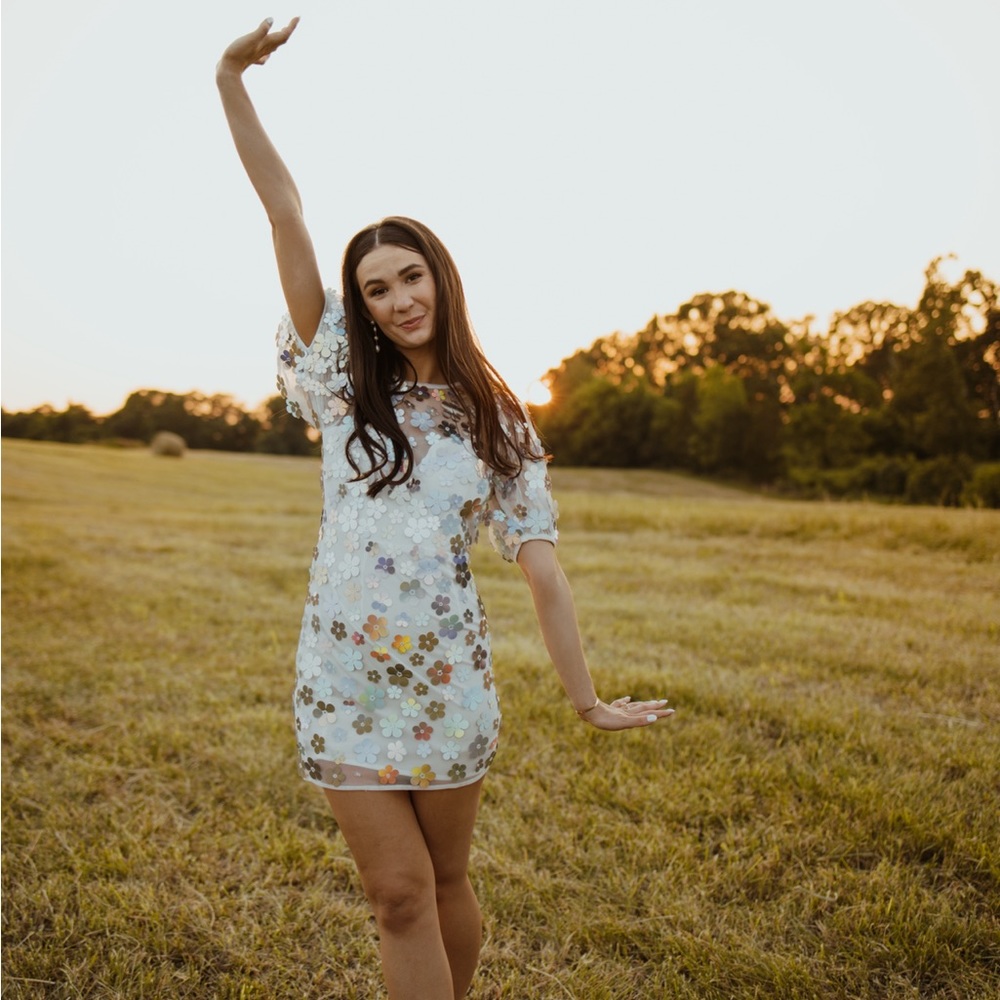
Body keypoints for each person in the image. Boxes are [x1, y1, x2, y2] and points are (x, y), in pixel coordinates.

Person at [217, 18, 674, 1000]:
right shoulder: (340, 379)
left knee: (448, 879)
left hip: (446, 681)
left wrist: (587, 699)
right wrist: (230, 79)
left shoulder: (498, 415)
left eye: (409, 276)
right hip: (342, 677)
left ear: (440, 278)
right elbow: (285, 214)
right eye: (374, 287)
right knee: (396, 893)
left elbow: (541, 566)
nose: (394, 298)